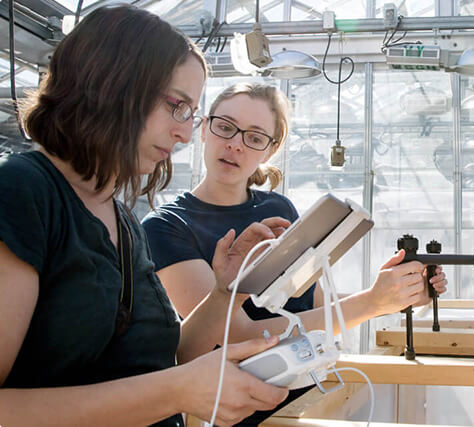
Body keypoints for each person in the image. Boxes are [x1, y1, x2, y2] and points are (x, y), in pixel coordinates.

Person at [0, 7, 290, 427]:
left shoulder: (121, 218)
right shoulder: (26, 193)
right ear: (111, 86)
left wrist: (227, 292)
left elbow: (162, 361)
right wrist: (176, 390)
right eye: (177, 105)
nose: (186, 132)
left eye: (190, 114)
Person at [142, 83, 448, 423]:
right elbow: (242, 333)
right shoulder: (165, 226)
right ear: (203, 128)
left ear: (270, 151)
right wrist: (372, 302)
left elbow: (315, 302)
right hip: (238, 409)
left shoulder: (278, 207)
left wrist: (395, 291)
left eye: (255, 138)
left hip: (310, 394)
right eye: (225, 127)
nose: (235, 144)